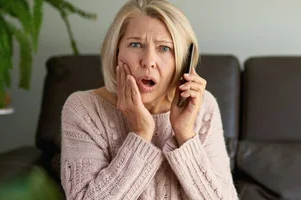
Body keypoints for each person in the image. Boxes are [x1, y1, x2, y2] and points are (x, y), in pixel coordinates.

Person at [60, 0, 238, 199]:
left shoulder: (203, 106)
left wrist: (185, 133)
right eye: (135, 44)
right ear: (116, 52)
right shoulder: (83, 109)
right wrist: (141, 133)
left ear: (182, 60)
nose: (148, 61)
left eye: (164, 48)